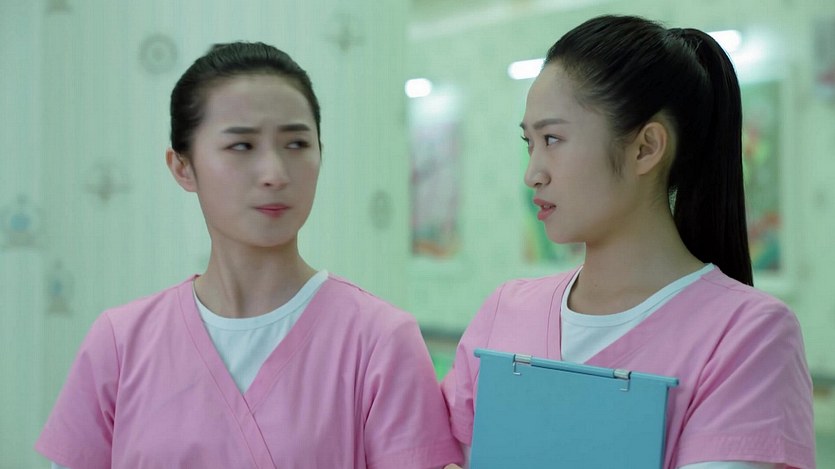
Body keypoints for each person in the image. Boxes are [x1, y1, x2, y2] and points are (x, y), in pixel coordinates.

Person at [35, 41, 463, 469]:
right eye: (241, 146)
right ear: (182, 167)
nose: (274, 174)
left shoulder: (380, 341)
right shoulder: (120, 343)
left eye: (296, 144)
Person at [442, 15, 815, 469]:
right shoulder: (505, 311)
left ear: (645, 148)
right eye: (530, 143)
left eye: (553, 138)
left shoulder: (748, 336)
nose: (532, 173)